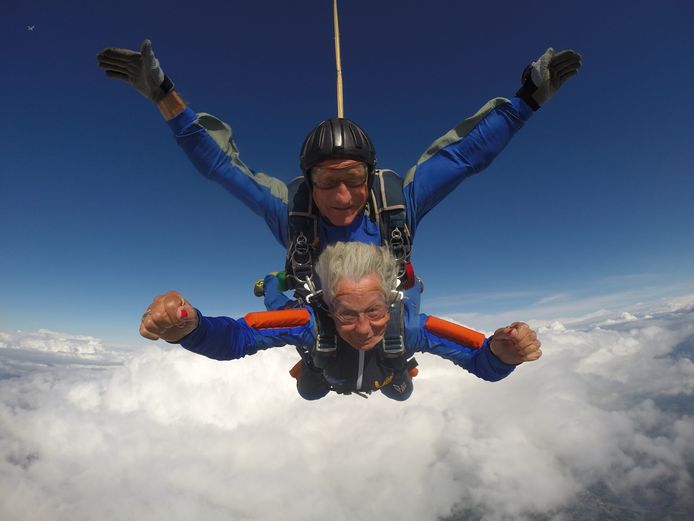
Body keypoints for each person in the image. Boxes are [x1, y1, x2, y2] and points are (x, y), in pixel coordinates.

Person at [97, 41, 582, 306]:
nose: (344, 195)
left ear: (371, 176)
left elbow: (464, 156)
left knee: (397, 348)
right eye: (326, 181)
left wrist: (528, 101)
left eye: (353, 177)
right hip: (319, 305)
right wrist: (165, 96)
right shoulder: (291, 211)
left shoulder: (396, 203)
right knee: (311, 366)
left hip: (379, 307)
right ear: (308, 182)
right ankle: (277, 288)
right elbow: (223, 167)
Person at [140, 242, 542, 400]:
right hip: (327, 367)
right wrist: (193, 329)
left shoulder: (412, 327)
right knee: (308, 386)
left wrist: (503, 356)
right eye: (347, 314)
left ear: (392, 303)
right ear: (328, 307)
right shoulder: (309, 322)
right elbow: (235, 339)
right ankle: (272, 282)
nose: (364, 329)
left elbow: (481, 363)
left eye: (376, 312)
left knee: (400, 392)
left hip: (385, 371)